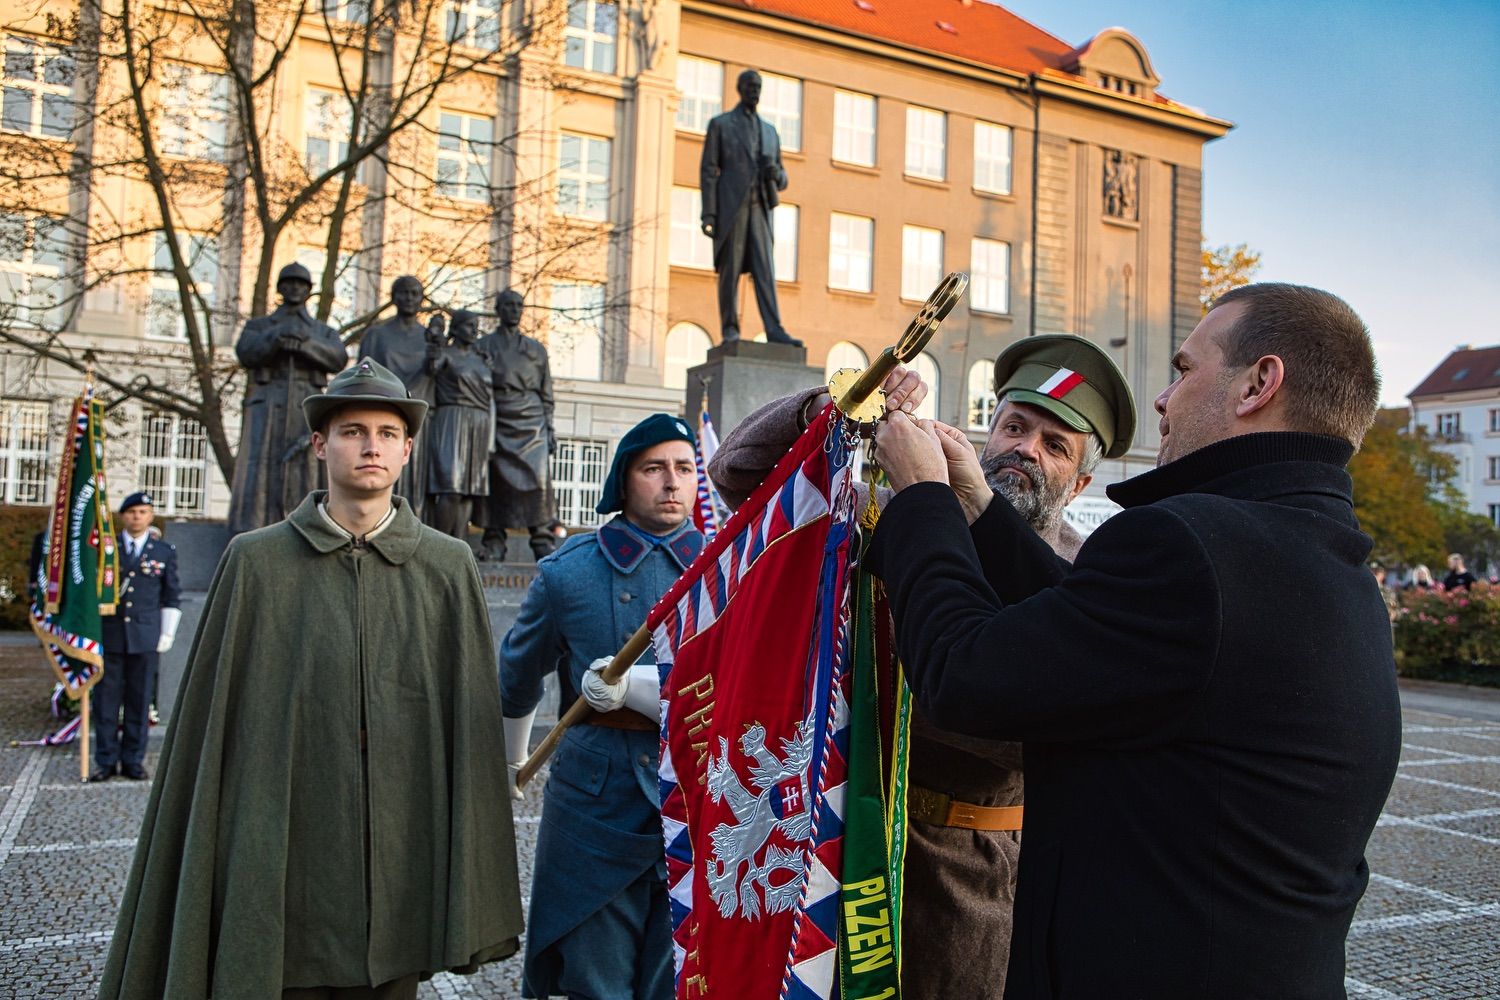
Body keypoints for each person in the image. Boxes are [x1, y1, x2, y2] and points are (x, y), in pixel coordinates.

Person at [868, 282, 1402, 998]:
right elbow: (1081, 622)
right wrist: (977, 505)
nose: (1163, 400)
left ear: (1258, 384)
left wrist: (923, 497)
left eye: (1185, 370)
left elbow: (963, 674)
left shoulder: (1191, 544)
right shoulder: (1321, 560)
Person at [709, 336, 1135, 997]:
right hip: (837, 838)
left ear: (1080, 482)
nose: (1027, 449)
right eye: (1015, 427)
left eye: (1055, 445)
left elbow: (1023, 731)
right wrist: (831, 410)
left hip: (967, 870)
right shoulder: (899, 507)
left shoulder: (1087, 580)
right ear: (984, 435)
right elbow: (738, 476)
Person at [100, 359, 523, 999]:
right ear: (322, 445)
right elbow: (212, 731)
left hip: (402, 843)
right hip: (285, 846)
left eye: (386, 433)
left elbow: (465, 721)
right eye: (353, 431)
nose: (371, 445)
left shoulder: (446, 565)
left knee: (392, 975)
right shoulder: (257, 561)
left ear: (408, 451)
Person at [499, 414, 704, 1000]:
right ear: (623, 480)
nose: (671, 482)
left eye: (685, 469)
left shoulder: (728, 568)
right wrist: (515, 761)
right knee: (596, 979)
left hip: (693, 796)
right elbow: (518, 674)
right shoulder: (572, 571)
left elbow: (750, 679)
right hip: (595, 801)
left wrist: (640, 689)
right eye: (654, 468)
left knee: (682, 976)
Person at [228, 261, 348, 534]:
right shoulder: (260, 326)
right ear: (280, 287)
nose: (295, 288)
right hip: (268, 401)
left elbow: (337, 358)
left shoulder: (322, 331)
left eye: (301, 284)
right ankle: (252, 530)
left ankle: (307, 528)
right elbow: (246, 352)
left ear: (309, 290)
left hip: (306, 402)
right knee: (259, 468)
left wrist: (305, 344)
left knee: (306, 466)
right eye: (290, 282)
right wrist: (276, 339)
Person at [699, 68, 801, 346]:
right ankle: (730, 329)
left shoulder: (770, 131)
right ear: (740, 88)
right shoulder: (721, 124)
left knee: (765, 270)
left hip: (761, 209)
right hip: (731, 208)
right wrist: (709, 212)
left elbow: (783, 176)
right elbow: (709, 170)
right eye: (750, 86)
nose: (755, 91)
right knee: (729, 271)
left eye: (758, 86)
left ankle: (774, 329)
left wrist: (774, 174)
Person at [91, 491, 180, 782]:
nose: (137, 517)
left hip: (145, 636)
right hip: (111, 635)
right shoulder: (108, 550)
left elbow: (170, 595)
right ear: (123, 516)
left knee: (139, 701)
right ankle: (105, 760)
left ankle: (133, 760)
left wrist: (167, 632)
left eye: (142, 512)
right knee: (106, 701)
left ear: (151, 516)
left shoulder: (163, 552)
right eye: (131, 512)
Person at [476, 289, 560, 562]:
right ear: (498, 309)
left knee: (538, 481)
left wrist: (549, 428)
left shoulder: (536, 348)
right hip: (497, 415)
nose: (513, 310)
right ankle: (494, 540)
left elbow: (547, 393)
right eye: (508, 305)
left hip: (531, 419)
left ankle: (542, 539)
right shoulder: (484, 345)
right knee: (495, 482)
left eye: (518, 306)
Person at [359, 275, 441, 519]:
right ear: (394, 297)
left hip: (420, 416)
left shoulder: (430, 338)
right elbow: (363, 375)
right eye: (403, 292)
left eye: (414, 293)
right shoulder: (376, 335)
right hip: (383, 415)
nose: (408, 298)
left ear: (421, 299)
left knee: (416, 479)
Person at [426, 310, 494, 541]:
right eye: (468, 326)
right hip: (452, 420)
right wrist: (435, 339)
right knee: (450, 488)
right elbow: (431, 369)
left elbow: (490, 399)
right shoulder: (446, 354)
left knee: (468, 492)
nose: (474, 331)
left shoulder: (482, 359)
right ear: (455, 328)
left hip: (479, 423)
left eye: (476, 326)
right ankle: (440, 545)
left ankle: (460, 543)